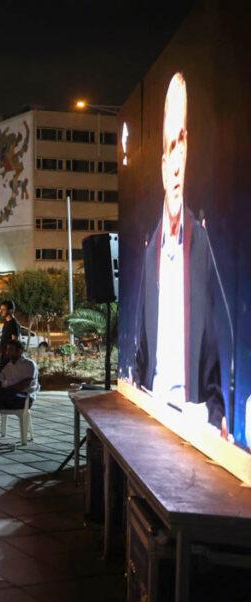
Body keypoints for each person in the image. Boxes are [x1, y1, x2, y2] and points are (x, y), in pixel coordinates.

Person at [134, 71, 225, 430]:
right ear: (162, 163)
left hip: (195, 420)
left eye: (182, 141)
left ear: (189, 152)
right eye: (170, 145)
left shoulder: (205, 243)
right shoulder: (148, 250)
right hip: (152, 413)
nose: (176, 158)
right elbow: (140, 342)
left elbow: (219, 343)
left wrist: (215, 417)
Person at [0, 300, 21, 377]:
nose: (0, 311)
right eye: (0, 309)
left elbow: (15, 342)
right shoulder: (6, 322)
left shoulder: (14, 324)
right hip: (3, 355)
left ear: (11, 310)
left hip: (7, 358)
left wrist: (10, 358)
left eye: (3, 309)